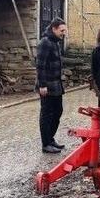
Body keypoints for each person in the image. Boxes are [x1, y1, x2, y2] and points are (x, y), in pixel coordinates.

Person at [36, 18, 68, 154]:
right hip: (47, 86)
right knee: (46, 114)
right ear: (54, 29)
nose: (64, 33)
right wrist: (42, 85)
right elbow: (40, 65)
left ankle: (50, 139)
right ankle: (46, 144)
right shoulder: (45, 42)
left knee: (58, 111)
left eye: (64, 30)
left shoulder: (55, 42)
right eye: (62, 30)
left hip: (56, 85)